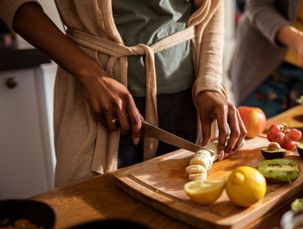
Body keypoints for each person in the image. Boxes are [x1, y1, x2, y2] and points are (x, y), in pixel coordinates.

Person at [0, 0, 247, 187]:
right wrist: (90, 74)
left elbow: (213, 9)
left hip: (189, 104)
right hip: (98, 104)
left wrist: (210, 83)